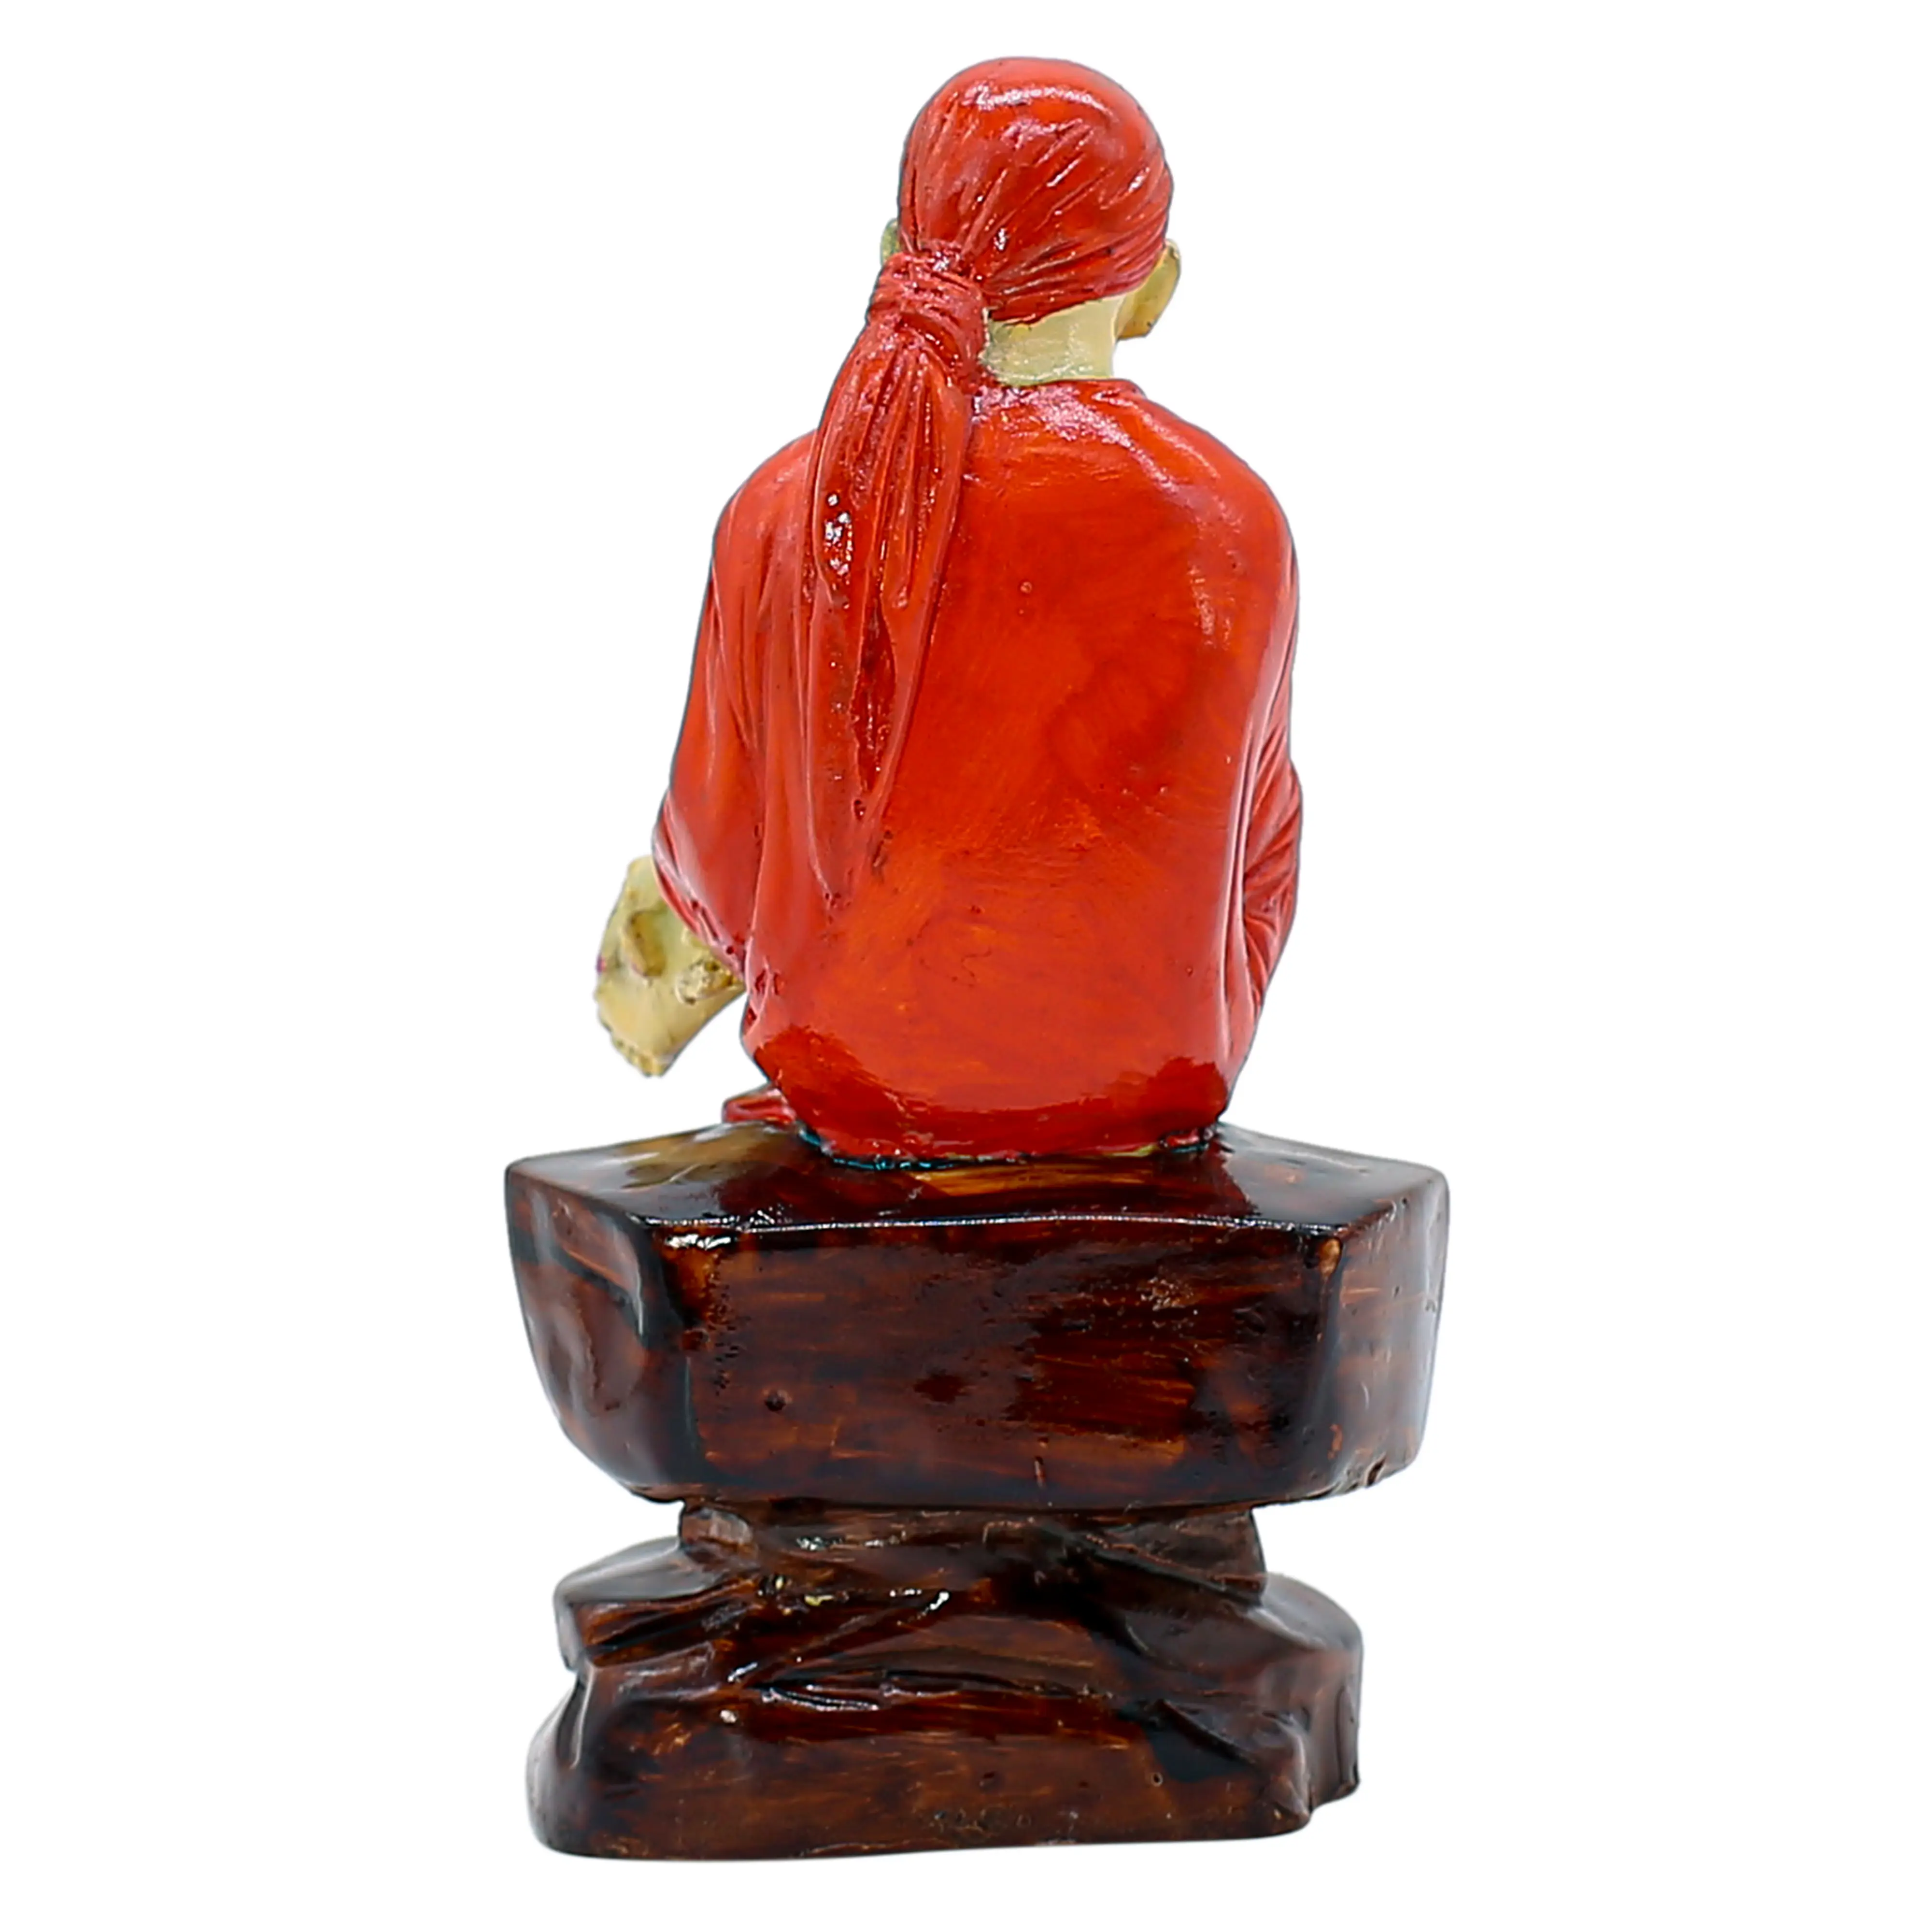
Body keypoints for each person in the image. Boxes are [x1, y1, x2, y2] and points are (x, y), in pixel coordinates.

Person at [597, 57, 1302, 1164]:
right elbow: (1259, 841)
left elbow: (717, 850)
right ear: (1154, 290)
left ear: (893, 252)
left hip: (849, 1068)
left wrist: (650, 990)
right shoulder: (1229, 520)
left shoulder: (788, 508)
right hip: (1158, 1070)